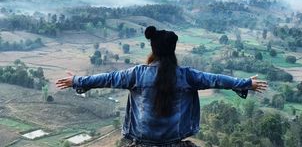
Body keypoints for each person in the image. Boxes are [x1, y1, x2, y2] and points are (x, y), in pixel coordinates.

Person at [56, 26, 268, 147]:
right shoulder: (187, 76)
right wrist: (246, 83)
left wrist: (77, 81)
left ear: (153, 50)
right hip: (173, 142)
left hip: (142, 141)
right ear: (173, 50)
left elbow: (107, 78)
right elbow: (217, 79)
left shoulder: (137, 74)